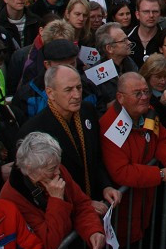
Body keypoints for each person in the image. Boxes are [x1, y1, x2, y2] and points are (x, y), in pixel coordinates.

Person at [0, 132, 104, 249]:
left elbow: (81, 204)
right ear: (30, 168)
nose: (57, 172)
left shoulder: (56, 169)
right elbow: (49, 243)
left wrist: (93, 230)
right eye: (51, 169)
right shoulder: (13, 196)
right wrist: (56, 200)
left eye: (57, 166)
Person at [16, 65, 121, 210]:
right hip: (67, 211)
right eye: (68, 90)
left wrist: (106, 186)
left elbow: (96, 157)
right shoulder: (34, 130)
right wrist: (83, 205)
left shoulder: (87, 111)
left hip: (97, 203)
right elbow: (40, 184)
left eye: (79, 87)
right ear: (50, 93)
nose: (77, 95)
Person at [99, 73, 166, 245]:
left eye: (146, 92)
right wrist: (161, 174)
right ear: (120, 98)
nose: (144, 97)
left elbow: (162, 139)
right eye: (137, 94)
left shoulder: (148, 112)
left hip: (144, 202)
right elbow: (121, 172)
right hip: (124, 210)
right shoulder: (111, 126)